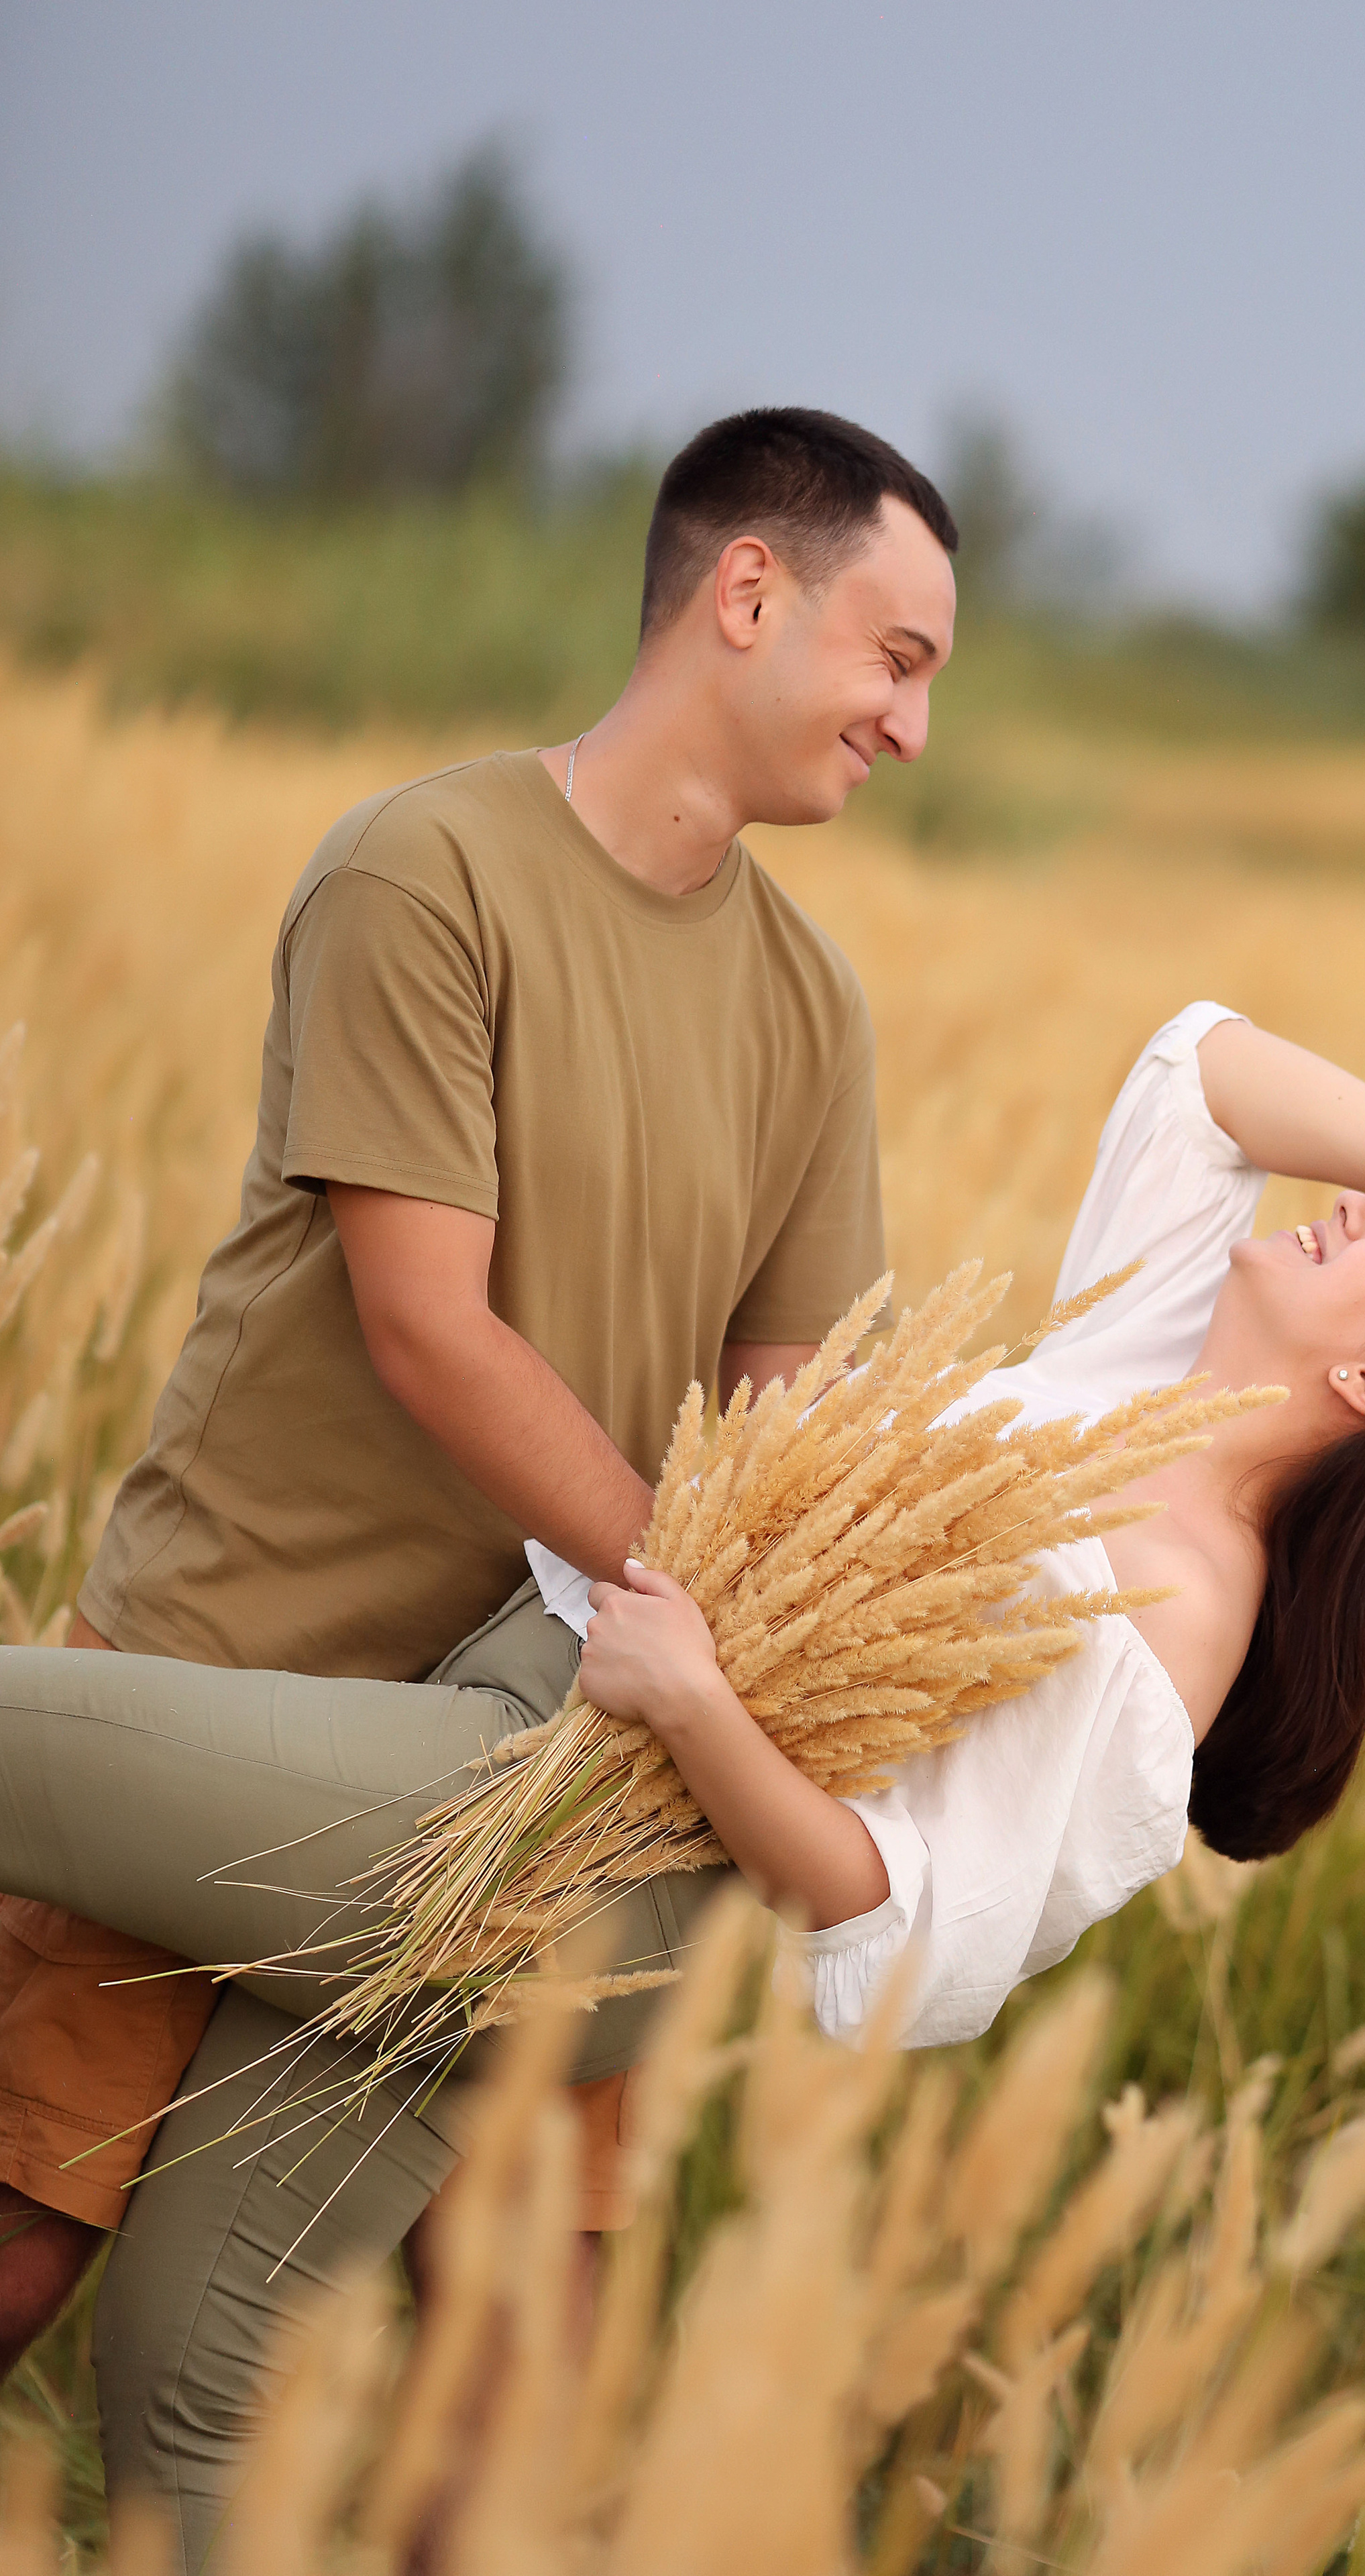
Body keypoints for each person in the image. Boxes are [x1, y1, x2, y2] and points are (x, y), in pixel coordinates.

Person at [0, 1003, 1365, 2567]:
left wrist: (700, 1708)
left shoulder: (1177, 1617)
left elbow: (908, 1932)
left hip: (556, 1852)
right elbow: (1196, 1064)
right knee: (188, 2383)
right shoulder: (1150, 1369)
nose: (1359, 1208)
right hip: (522, 1744)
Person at [0, 404, 961, 2390]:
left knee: (521, 2388)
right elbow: (431, 1327)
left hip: (547, 1797)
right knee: (18, 2248)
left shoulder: (812, 1008)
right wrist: (701, 1613)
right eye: (901, 656)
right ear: (748, 592)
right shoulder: (424, 871)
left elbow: (779, 1435)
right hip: (222, 1683)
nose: (912, 726)